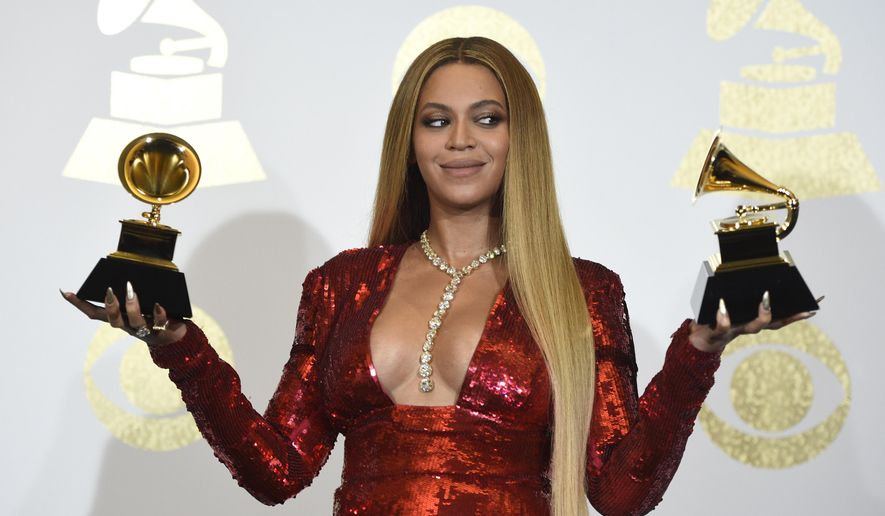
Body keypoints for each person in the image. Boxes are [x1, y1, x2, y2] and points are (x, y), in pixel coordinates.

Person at [63, 37, 813, 515]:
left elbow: (618, 493)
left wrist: (699, 354)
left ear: (521, 136)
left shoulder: (582, 291)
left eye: (487, 118)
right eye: (436, 120)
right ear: (410, 140)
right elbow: (276, 471)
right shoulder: (341, 284)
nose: (460, 140)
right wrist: (177, 345)